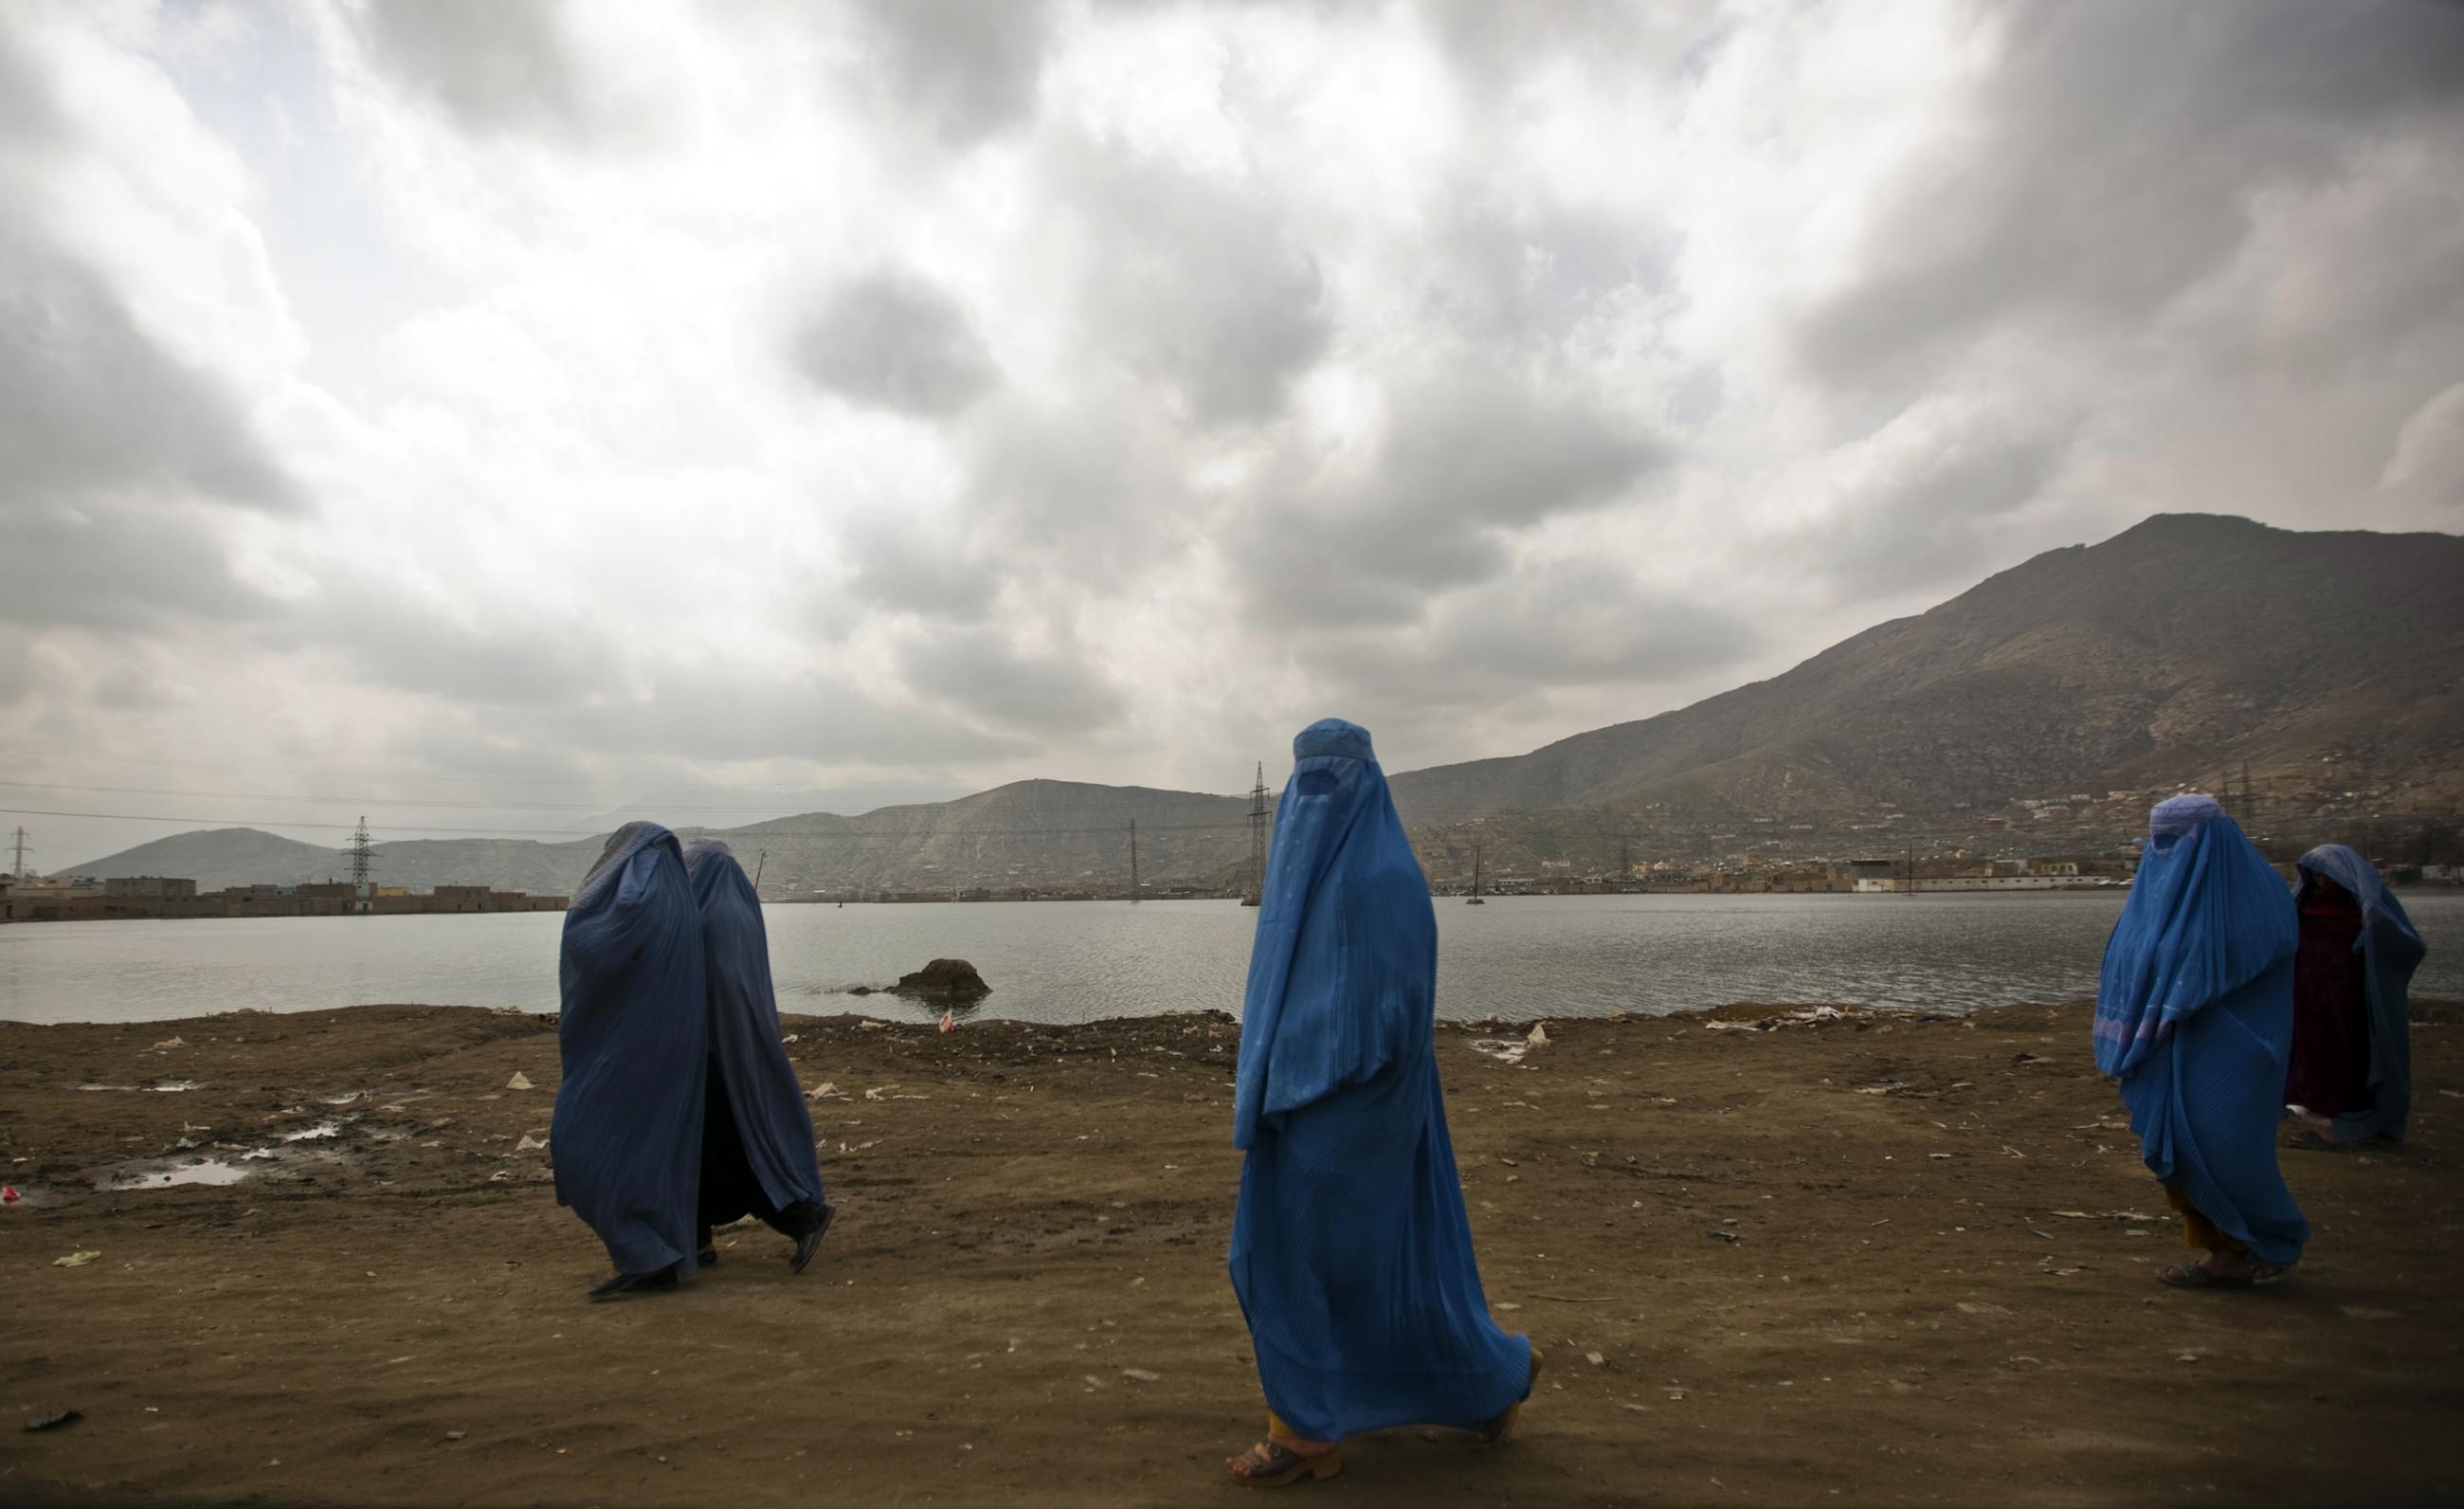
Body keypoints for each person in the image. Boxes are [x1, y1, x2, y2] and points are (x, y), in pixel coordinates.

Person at [1224, 719, 1537, 1487]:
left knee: (1286, 1252)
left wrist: (1295, 1078)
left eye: (1329, 783)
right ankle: (1493, 1379)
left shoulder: (1383, 881)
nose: (1312, 801)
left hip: (1353, 1104)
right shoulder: (1307, 888)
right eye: (1306, 785)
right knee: (1384, 1264)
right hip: (1303, 1100)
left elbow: (1387, 1015)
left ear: (1365, 790)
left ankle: (1304, 1434)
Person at [2093, 794, 2309, 1289]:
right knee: (2180, 1150)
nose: (2167, 851)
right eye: (2159, 840)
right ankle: (2223, 1252)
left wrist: (2179, 986)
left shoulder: (2257, 896)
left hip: (2235, 1047)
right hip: (2168, 1048)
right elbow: (2132, 955)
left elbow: (2233, 956)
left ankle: (2268, 1242)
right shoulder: (2154, 895)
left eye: (2178, 839)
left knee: (2227, 1148)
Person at [551, 822, 710, 1300]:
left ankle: (649, 1257)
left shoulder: (642, 883)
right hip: (666, 1047)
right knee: (652, 1154)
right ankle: (657, 1252)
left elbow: (616, 928)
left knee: (580, 1145)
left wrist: (580, 922)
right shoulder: (676, 895)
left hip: (630, 1050)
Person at [682, 838, 836, 1272]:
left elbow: (708, 989)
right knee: (700, 1149)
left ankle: (802, 1217)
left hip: (716, 1056)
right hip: (740, 1048)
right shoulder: (741, 911)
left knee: (722, 1147)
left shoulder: (708, 918)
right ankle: (695, 1239)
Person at [2285, 844, 2424, 1146]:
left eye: (2329, 876)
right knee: (2318, 1059)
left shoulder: (2370, 914)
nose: (2323, 883)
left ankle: (2354, 1124)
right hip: (2310, 1005)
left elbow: (2402, 945)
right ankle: (2323, 1118)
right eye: (2317, 877)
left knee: (2352, 1056)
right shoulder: (2301, 907)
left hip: (2352, 1003)